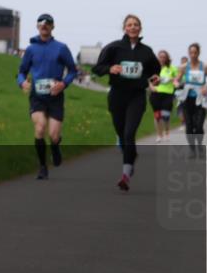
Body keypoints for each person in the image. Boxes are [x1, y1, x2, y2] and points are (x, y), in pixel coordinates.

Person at [92, 14, 161, 191]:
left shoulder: (146, 51)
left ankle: (125, 175)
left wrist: (155, 78)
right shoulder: (113, 47)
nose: (132, 27)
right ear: (124, 28)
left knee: (130, 133)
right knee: (122, 135)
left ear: (140, 28)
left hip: (137, 96)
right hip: (117, 96)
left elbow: (155, 71)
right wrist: (110, 68)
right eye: (129, 25)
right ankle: (131, 156)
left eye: (136, 25)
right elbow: (97, 69)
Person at [16, 13, 78, 179]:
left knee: (54, 135)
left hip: (55, 96)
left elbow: (73, 70)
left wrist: (63, 84)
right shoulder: (30, 49)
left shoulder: (61, 48)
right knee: (40, 127)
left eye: (48, 23)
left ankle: (56, 146)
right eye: (41, 23)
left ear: (52, 26)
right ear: (37, 26)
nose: (44, 25)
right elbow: (21, 72)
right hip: (37, 96)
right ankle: (43, 166)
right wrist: (22, 83)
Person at [178, 42, 207, 159]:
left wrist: (206, 87)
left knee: (199, 126)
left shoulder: (205, 66)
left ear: (199, 53)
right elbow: (176, 80)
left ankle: (199, 145)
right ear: (188, 53)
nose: (193, 55)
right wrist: (178, 84)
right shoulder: (184, 67)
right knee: (189, 126)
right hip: (187, 99)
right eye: (191, 52)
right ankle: (192, 149)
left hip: (201, 99)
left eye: (195, 52)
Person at [149, 50, 179, 142]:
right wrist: (151, 87)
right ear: (157, 58)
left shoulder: (172, 68)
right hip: (155, 94)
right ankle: (159, 135)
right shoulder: (153, 68)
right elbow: (148, 80)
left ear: (167, 58)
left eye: (164, 57)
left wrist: (174, 81)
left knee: (166, 116)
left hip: (168, 94)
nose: (162, 58)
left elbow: (177, 79)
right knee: (157, 116)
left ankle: (167, 133)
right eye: (160, 57)